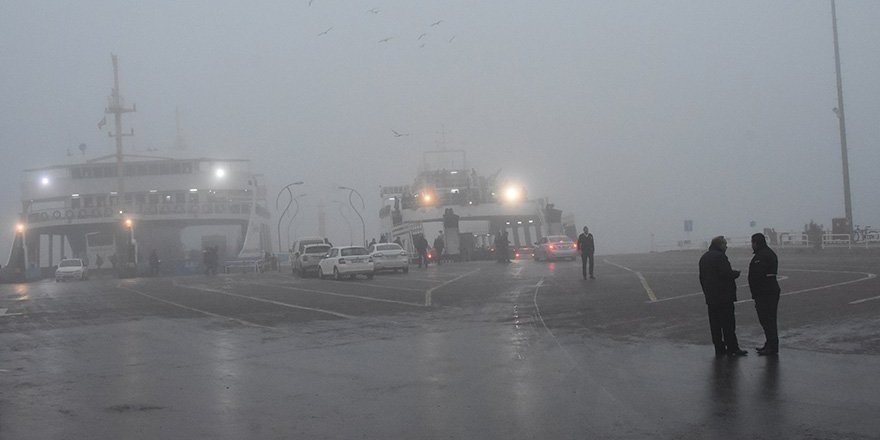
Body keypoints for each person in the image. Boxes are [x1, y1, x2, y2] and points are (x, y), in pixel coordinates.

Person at [699, 236, 747, 357]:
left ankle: (719, 348)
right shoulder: (720, 257)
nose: (726, 246)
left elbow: (702, 277)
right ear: (720, 245)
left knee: (715, 325)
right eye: (725, 244)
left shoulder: (704, 257)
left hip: (711, 297)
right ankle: (732, 348)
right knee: (728, 324)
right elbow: (725, 273)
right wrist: (736, 274)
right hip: (724, 296)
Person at [749, 233, 781, 355]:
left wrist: (756, 291)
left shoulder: (762, 256)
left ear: (756, 243)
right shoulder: (766, 253)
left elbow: (758, 275)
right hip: (766, 291)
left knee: (768, 320)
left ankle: (772, 346)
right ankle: (770, 343)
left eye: (752, 243)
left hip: (766, 292)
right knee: (768, 320)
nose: (751, 245)